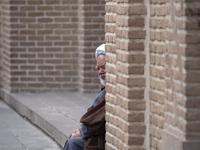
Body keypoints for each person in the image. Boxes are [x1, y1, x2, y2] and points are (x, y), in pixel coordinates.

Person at [63, 44, 106, 150]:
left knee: (73, 143)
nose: (100, 72)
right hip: (94, 134)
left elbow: (100, 120)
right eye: (98, 69)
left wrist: (82, 132)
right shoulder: (105, 90)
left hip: (100, 138)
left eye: (104, 67)